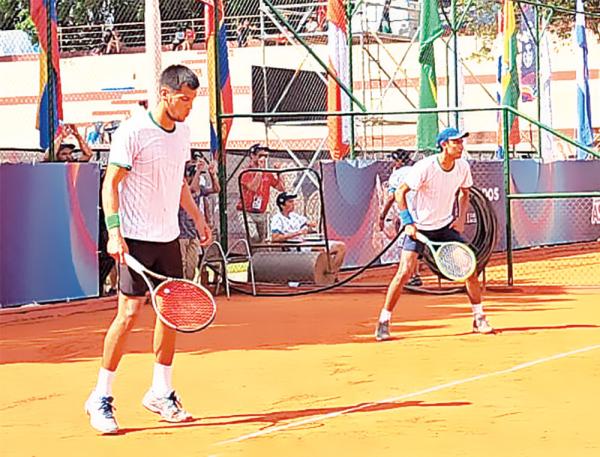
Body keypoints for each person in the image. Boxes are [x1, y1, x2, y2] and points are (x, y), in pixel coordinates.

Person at [85, 65, 212, 434]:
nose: (189, 106)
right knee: (128, 315)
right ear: (165, 94)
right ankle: (101, 396)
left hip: (168, 237)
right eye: (184, 99)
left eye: (193, 100)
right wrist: (114, 233)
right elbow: (110, 185)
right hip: (136, 238)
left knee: (169, 315)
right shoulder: (133, 130)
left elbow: (178, 185)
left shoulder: (183, 133)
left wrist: (199, 219)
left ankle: (161, 391)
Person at [375, 128, 494, 341]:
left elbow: (464, 192)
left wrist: (460, 218)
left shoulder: (463, 167)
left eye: (461, 142)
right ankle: (384, 321)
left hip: (445, 227)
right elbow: (400, 193)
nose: (460, 146)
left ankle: (479, 318)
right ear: (444, 145)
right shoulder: (425, 167)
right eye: (455, 142)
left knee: (470, 269)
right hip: (419, 228)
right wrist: (408, 222)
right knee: (404, 272)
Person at [271, 192, 347, 276]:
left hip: (306, 241)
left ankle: (332, 272)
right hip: (296, 245)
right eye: (290, 202)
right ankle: (327, 275)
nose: (293, 204)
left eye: (293, 201)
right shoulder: (277, 219)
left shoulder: (294, 216)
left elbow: (310, 223)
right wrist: (297, 233)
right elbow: (275, 238)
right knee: (321, 250)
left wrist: (308, 226)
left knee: (341, 247)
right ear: (282, 205)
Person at [378, 149, 422, 286]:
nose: (392, 163)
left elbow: (392, 197)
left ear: (398, 161)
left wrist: (382, 216)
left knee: (408, 246)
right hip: (423, 213)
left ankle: (412, 276)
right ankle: (415, 274)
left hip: (407, 215)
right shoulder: (417, 170)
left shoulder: (396, 175)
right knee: (415, 244)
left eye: (393, 160)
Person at [178, 158, 220, 280]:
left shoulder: (199, 188)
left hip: (192, 234)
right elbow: (192, 190)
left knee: (192, 265)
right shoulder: (180, 190)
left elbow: (216, 189)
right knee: (182, 264)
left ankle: (188, 286)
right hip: (181, 235)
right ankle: (180, 290)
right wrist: (197, 172)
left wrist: (213, 175)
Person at [237, 145, 285, 244]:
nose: (263, 158)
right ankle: (252, 255)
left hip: (261, 211)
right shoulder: (246, 172)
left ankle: (256, 257)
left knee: (261, 241)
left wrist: (279, 173)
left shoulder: (267, 173)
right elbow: (253, 187)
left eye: (266, 156)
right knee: (253, 236)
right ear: (252, 156)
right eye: (260, 155)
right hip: (246, 211)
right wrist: (259, 169)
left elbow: (281, 188)